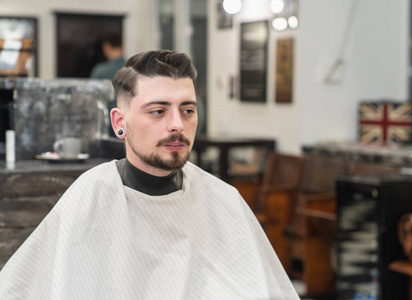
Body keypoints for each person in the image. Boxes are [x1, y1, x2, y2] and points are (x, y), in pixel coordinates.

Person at [0, 50, 300, 299]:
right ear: (120, 122)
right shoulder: (91, 196)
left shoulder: (224, 199)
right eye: (158, 111)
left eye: (187, 110)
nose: (177, 125)